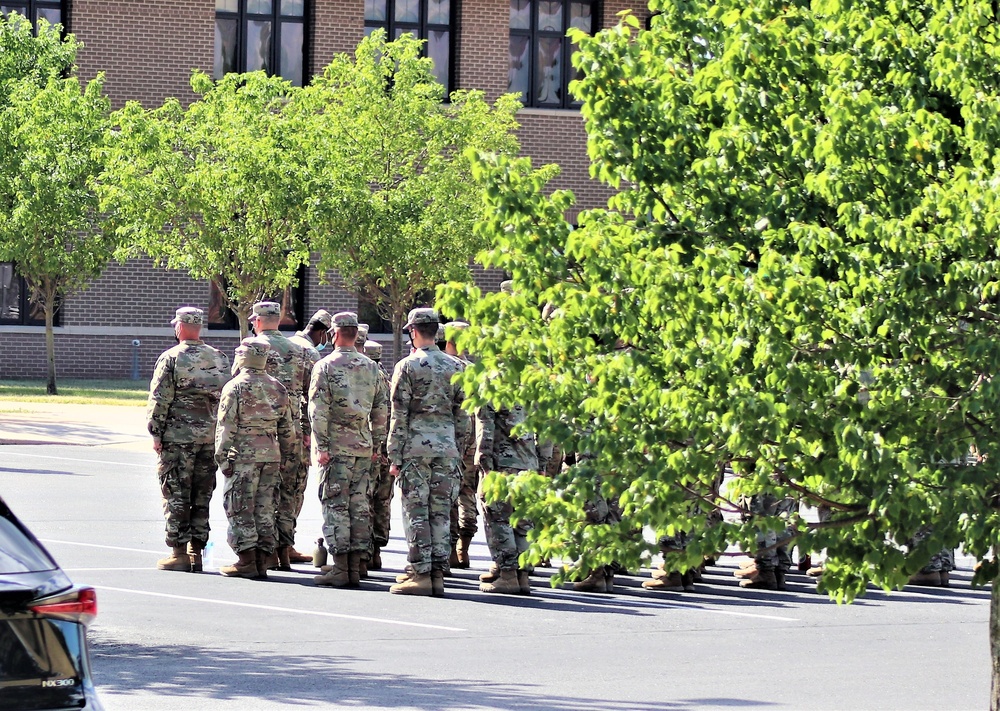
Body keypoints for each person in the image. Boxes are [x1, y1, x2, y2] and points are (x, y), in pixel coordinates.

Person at [387, 308, 468, 597]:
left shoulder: (408, 366)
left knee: (416, 511)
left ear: (413, 331)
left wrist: (394, 456)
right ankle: (436, 571)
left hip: (416, 449)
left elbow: (399, 415)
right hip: (447, 449)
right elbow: (464, 416)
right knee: (441, 512)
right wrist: (458, 447)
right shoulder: (457, 367)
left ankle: (420, 573)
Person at [146, 307, 230, 573]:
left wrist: (156, 432)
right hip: (208, 438)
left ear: (180, 327)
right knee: (202, 494)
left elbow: (160, 400)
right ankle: (197, 551)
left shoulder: (171, 358)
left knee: (176, 494)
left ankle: (178, 552)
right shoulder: (219, 358)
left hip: (177, 439)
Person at [309, 312, 388, 588]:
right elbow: (381, 411)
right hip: (363, 446)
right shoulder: (371, 367)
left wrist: (322, 446)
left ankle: (341, 567)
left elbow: (318, 410)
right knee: (360, 507)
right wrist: (376, 445)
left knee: (336, 507)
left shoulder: (326, 366)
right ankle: (355, 566)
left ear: (335, 334)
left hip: (337, 447)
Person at [215, 337, 296, 579]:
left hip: (244, 456)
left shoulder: (235, 387)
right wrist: (286, 455)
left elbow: (226, 426)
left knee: (240, 507)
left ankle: (246, 560)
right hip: (271, 455)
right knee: (265, 507)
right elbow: (287, 429)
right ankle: (262, 559)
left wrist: (222, 458)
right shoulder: (278, 387)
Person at [242, 301, 312, 569]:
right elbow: (310, 392)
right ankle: (285, 547)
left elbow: (239, 386)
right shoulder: (301, 350)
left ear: (257, 321)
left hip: (261, 431)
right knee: (290, 489)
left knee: (261, 490)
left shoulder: (252, 348)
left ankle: (264, 548)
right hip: (293, 429)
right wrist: (304, 428)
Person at [475, 401, 547, 595]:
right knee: (523, 522)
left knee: (498, 519)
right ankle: (523, 575)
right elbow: (546, 429)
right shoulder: (532, 385)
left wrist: (484, 463)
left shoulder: (493, 385)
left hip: (501, 465)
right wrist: (542, 465)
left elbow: (485, 427)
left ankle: (508, 575)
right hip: (530, 464)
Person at [443, 321, 478, 569]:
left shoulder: (447, 368)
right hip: (474, 441)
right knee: (468, 494)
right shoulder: (476, 372)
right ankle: (464, 548)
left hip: (452, 440)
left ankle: (452, 551)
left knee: (448, 497)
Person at [363, 338, 393, 570]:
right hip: (386, 449)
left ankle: (365, 551)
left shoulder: (366, 375)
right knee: (383, 499)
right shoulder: (388, 380)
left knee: (365, 497)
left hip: (369, 447)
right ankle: (377, 549)